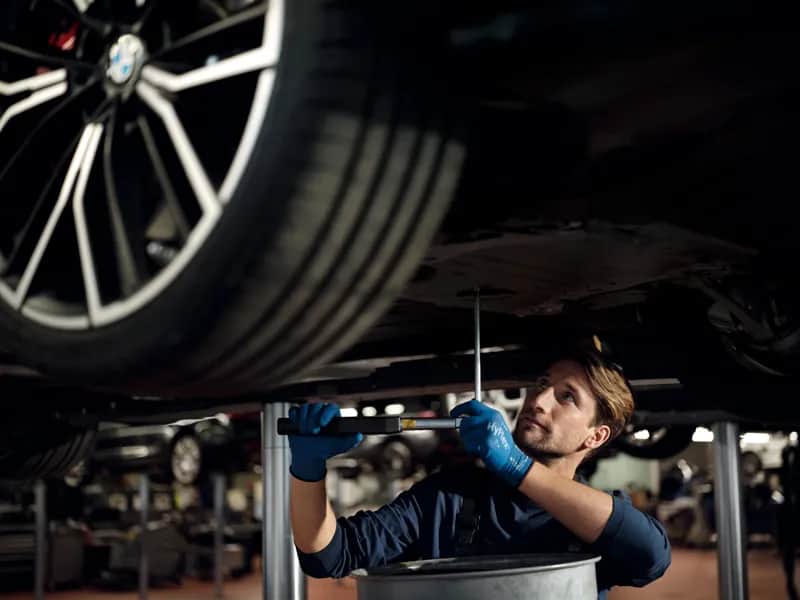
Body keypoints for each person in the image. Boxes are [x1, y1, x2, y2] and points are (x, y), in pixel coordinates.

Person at [287, 337, 671, 598]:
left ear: (595, 436)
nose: (539, 400)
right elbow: (328, 556)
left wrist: (516, 466)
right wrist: (309, 470)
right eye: (542, 383)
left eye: (566, 397)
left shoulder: (595, 519)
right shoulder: (449, 499)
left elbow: (651, 555)